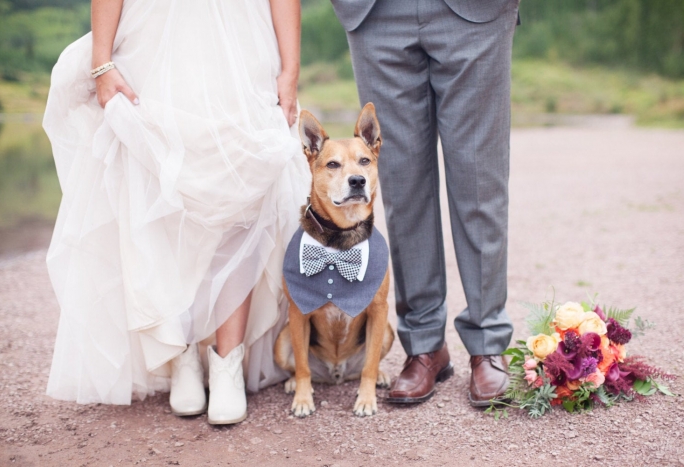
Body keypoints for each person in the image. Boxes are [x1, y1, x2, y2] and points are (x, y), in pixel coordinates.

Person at [43, 0, 309, 424]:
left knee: (242, 187)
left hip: (243, 36)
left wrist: (290, 70)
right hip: (154, 36)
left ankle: (227, 362)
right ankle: (179, 351)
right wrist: (101, 62)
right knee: (158, 191)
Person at [331, 0, 519, 406]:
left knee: (479, 180)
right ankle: (424, 344)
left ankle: (487, 340)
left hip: (475, 14)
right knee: (402, 185)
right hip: (376, 13)